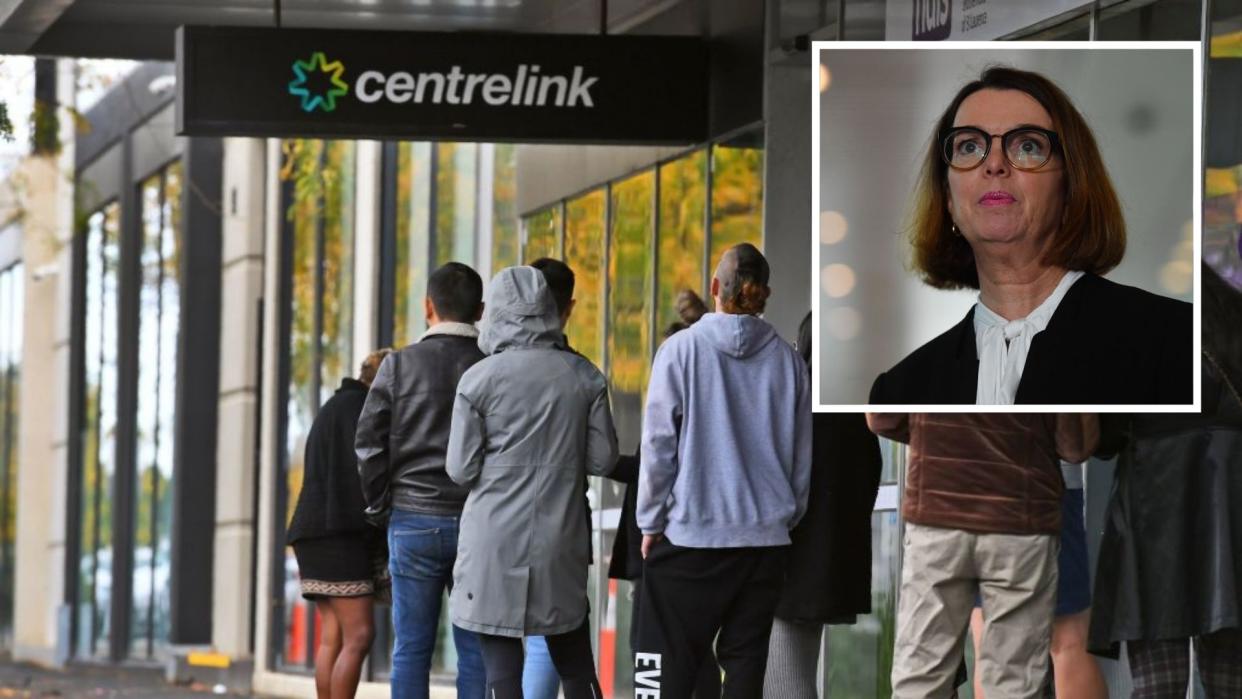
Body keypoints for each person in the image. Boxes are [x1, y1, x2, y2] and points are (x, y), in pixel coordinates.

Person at [869, 66, 1191, 405]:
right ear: (948, 198)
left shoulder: (1173, 340)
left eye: (1027, 145)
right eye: (968, 147)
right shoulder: (903, 388)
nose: (994, 165)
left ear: (1071, 187)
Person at [634, 243, 812, 697]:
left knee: (667, 661)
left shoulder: (679, 352)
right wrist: (783, 518)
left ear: (715, 287)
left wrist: (649, 521)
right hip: (764, 542)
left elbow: (658, 446)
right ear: (764, 294)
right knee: (746, 664)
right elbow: (800, 456)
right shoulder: (790, 362)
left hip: (693, 535)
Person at [446, 265, 619, 699]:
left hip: (492, 540)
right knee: (575, 661)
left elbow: (461, 469)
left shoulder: (477, 379)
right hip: (559, 538)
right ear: (547, 309)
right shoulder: (584, 376)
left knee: (501, 668)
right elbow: (603, 459)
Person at [865, 412, 1098, 699]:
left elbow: (881, 417)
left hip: (940, 505)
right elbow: (1075, 443)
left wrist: (939, 443)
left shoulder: (931, 366)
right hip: (1019, 509)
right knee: (1017, 673)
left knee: (922, 673)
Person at [1088, 263, 1242, 697]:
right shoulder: (1231, 312)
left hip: (1153, 513)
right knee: (1232, 684)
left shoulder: (1139, 328)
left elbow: (1103, 436)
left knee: (1158, 686)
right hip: (1232, 515)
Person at [354, 262, 488, 699]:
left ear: (428, 306)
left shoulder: (397, 367)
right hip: (478, 522)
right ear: (481, 311)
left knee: (411, 649)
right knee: (475, 651)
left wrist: (379, 506)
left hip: (412, 520)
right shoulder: (491, 367)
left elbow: (369, 443)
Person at [763, 312, 882, 699]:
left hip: (788, 561)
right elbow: (871, 477)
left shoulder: (793, 402)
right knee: (796, 670)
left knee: (782, 679)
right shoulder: (856, 409)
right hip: (833, 563)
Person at [609, 289, 721, 699]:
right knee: (693, 650)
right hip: (684, 546)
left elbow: (654, 465)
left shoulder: (676, 410)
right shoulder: (705, 408)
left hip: (664, 547)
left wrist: (649, 524)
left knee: (650, 651)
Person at [287, 349, 392, 699]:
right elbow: (366, 474)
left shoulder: (335, 407)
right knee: (360, 634)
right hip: (338, 534)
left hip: (311, 534)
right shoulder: (362, 410)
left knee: (334, 635)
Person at [968, 460, 1107, 699]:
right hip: (1042, 476)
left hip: (970, 486)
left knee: (990, 641)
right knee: (1067, 637)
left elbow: (887, 422)